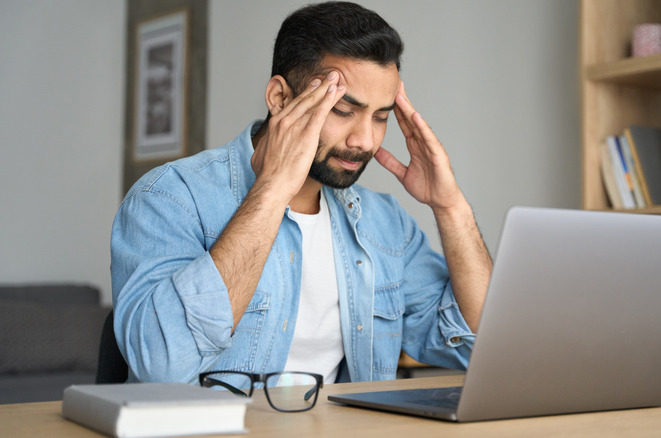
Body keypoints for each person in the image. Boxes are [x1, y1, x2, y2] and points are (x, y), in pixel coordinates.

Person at [111, 1, 492, 385]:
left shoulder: (385, 224)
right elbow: (161, 365)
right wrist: (273, 190)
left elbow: (478, 349)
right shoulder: (170, 197)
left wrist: (450, 207)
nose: (364, 140)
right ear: (279, 98)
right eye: (343, 110)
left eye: (380, 117)